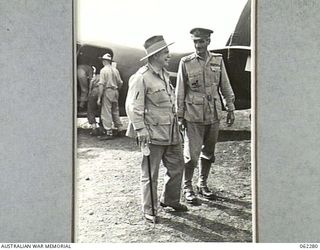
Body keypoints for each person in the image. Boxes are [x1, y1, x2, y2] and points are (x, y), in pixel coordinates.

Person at [126, 35, 188, 223]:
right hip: (152, 134)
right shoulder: (141, 77)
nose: (169, 56)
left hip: (171, 132)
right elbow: (133, 106)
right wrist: (140, 130)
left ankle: (170, 200)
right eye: (166, 53)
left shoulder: (164, 74)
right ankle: (150, 209)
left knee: (177, 167)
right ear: (155, 55)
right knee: (150, 173)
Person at [175, 28, 235, 205]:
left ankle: (202, 183)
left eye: (201, 41)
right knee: (191, 156)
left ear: (208, 41)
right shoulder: (186, 62)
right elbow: (180, 91)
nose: (198, 45)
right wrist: (179, 116)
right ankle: (187, 188)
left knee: (208, 153)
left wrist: (230, 107)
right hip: (193, 115)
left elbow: (225, 85)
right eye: (195, 41)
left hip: (213, 113)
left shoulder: (217, 60)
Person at [97, 53, 123, 139]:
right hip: (115, 91)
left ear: (104, 61)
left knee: (106, 111)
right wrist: (116, 89)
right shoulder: (115, 70)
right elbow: (120, 82)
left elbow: (101, 84)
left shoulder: (103, 70)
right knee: (115, 110)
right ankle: (119, 129)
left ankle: (108, 132)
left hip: (108, 91)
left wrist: (99, 97)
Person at [87, 66, 104, 136]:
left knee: (90, 110)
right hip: (102, 93)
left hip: (94, 93)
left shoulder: (94, 78)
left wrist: (89, 95)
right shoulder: (103, 77)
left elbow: (90, 87)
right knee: (102, 110)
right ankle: (102, 128)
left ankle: (94, 128)